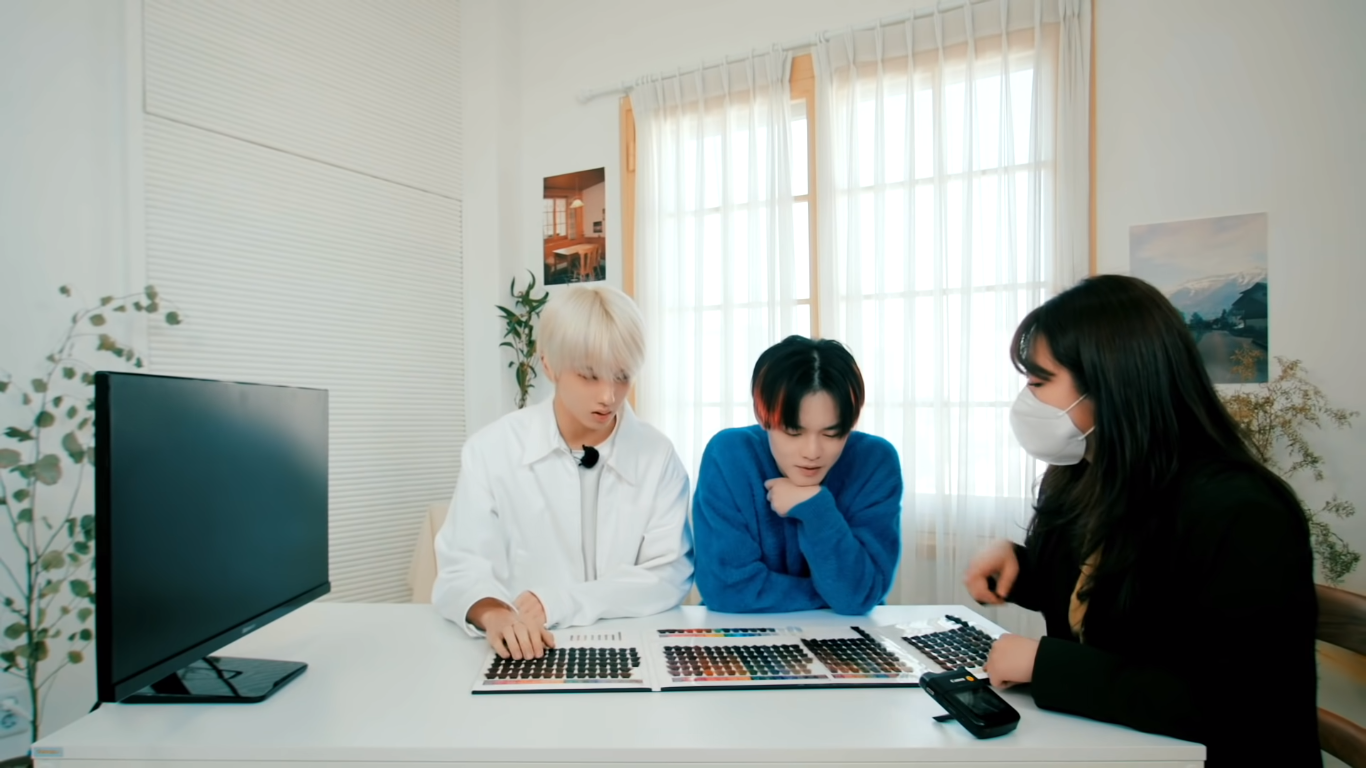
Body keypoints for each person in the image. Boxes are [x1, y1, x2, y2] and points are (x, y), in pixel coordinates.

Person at [964, 275, 1319, 766]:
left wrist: (1046, 665)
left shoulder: (1242, 510)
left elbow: (1239, 703)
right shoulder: (1080, 476)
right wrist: (1017, 565)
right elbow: (1102, 600)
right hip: (1107, 746)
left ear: (1111, 382)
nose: (1027, 398)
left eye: (1039, 382)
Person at [432, 285, 693, 660]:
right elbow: (461, 568)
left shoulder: (658, 456)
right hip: (526, 653)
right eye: (589, 376)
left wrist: (560, 601)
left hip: (631, 652)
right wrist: (495, 614)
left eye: (622, 376)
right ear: (549, 365)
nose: (608, 396)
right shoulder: (491, 450)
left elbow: (668, 575)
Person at [693, 335, 902, 614]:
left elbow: (858, 597)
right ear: (762, 415)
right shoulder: (729, 455)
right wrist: (831, 597)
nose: (812, 452)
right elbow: (728, 591)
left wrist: (816, 509)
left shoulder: (875, 461)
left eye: (832, 433)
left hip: (844, 636)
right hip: (743, 632)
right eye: (793, 432)